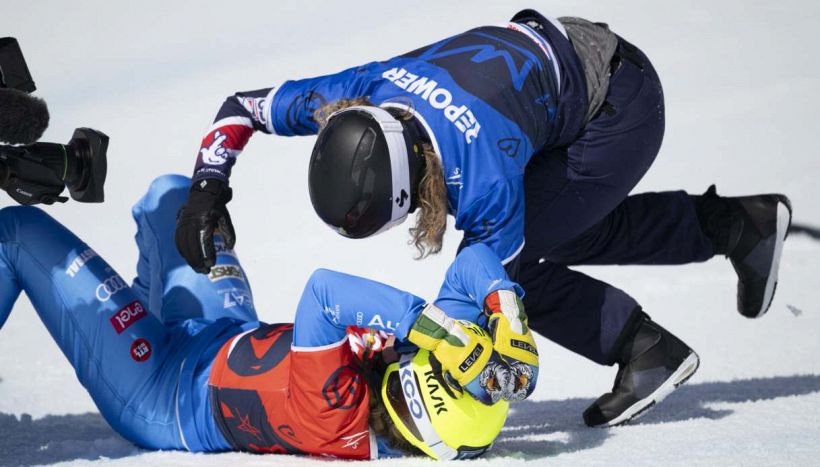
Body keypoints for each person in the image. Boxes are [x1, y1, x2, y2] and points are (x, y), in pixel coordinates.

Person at [174, 9, 793, 426]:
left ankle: (644, 348)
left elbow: (477, 293)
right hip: (569, 64)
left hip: (618, 106)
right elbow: (242, 108)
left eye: (416, 202)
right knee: (562, 223)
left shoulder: (481, 173)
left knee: (518, 267)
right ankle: (737, 226)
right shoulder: (356, 91)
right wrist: (208, 187)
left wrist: (406, 374)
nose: (422, 211)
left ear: (417, 180)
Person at [0, 174, 539, 460]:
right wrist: (505, 313)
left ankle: (127, 326)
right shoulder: (419, 378)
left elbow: (323, 292)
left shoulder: (336, 414)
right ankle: (141, 309)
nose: (409, 360)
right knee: (175, 197)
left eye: (423, 366)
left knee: (17, 232)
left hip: (157, 392)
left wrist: (441, 335)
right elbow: (474, 261)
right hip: (222, 330)